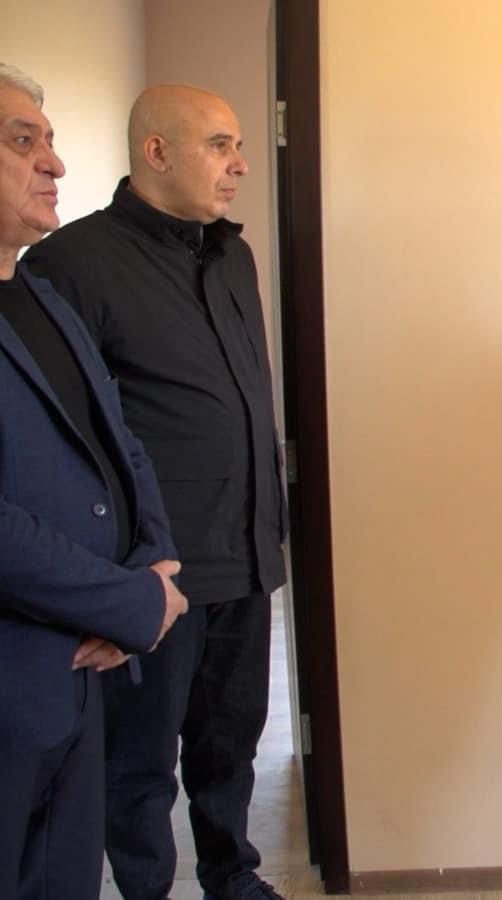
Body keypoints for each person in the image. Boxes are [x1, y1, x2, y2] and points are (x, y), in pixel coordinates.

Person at [26, 84, 287, 900]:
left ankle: (233, 878)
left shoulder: (233, 256)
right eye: (219, 145)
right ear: (157, 152)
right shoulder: (71, 265)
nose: (239, 165)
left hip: (245, 553)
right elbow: (67, 440)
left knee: (231, 745)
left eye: (239, 145)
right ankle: (147, 891)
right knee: (138, 765)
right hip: (158, 571)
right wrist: (112, 582)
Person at [0, 63, 188, 898]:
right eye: (22, 142)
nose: (56, 163)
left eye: (48, 140)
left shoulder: (43, 297)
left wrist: (150, 566)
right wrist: (129, 604)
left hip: (81, 683)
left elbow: (123, 445)